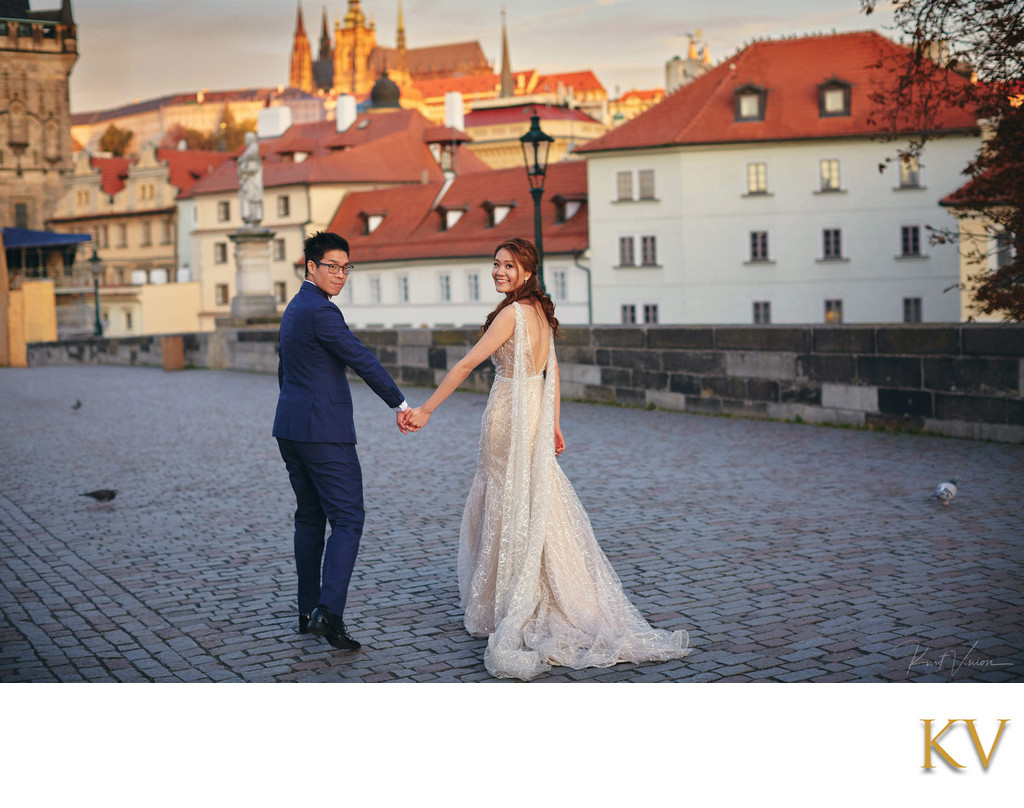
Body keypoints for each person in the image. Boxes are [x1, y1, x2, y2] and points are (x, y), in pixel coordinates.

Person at [405, 238, 691, 680]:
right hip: (533, 413)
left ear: (526, 272)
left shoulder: (512, 313)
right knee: (531, 498)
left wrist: (426, 409)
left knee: (506, 500)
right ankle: (532, 589)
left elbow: (466, 365)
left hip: (508, 414)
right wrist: (554, 424)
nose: (499, 271)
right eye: (495, 264)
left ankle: (510, 599)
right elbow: (550, 371)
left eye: (508, 266)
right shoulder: (540, 311)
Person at [274, 231, 411, 650]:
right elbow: (361, 358)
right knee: (349, 518)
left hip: (291, 428)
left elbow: (286, 370)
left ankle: (306, 608)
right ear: (310, 266)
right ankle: (328, 613)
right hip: (324, 433)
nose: (340, 274)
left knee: (310, 518)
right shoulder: (322, 311)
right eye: (331, 266)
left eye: (345, 267)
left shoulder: (295, 308)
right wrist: (399, 403)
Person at [237, 131, 263, 227]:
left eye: (247, 139)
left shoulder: (253, 150)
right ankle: (252, 218)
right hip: (248, 181)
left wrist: (244, 171)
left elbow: (252, 167)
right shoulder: (250, 151)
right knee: (250, 199)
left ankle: (252, 218)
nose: (245, 141)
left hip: (251, 181)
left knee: (252, 199)